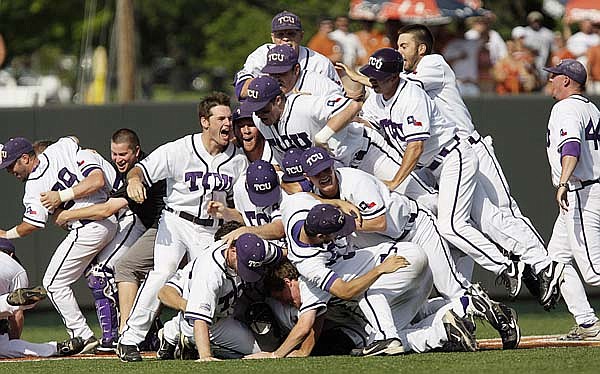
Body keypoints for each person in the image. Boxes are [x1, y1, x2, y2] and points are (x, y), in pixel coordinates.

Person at [395, 24, 564, 305]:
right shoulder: (408, 78)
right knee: (484, 219)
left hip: (471, 147)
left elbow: (401, 85)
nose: (399, 51)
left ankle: (544, 265)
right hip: (454, 157)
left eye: (404, 46)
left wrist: (367, 79)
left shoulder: (432, 63)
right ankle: (531, 266)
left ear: (421, 48)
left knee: (502, 213)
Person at [301, 147, 520, 349]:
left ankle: (500, 316)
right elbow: (292, 190)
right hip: (392, 248)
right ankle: (446, 330)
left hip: (415, 230)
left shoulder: (354, 181)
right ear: (308, 177)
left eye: (325, 168)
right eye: (316, 173)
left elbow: (379, 223)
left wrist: (340, 226)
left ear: (333, 165)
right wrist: (335, 204)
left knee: (452, 291)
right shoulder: (315, 197)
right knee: (410, 307)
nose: (323, 175)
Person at [359, 48, 524, 297]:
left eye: (377, 76)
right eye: (370, 74)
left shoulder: (410, 95)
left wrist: (394, 182)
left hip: (454, 157)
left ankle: (507, 265)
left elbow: (415, 147)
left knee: (451, 225)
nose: (372, 80)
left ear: (394, 77)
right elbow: (366, 121)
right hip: (436, 168)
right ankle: (488, 271)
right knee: (449, 224)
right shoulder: (376, 97)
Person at [117, 92, 248, 362]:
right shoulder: (180, 149)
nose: (228, 123)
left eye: (229, 117)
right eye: (221, 118)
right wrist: (134, 181)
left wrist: (228, 212)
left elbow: (244, 212)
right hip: (176, 221)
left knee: (206, 287)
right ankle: (130, 340)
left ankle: (174, 334)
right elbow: (140, 170)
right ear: (204, 121)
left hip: (211, 229)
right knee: (162, 273)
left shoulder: (238, 160)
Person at [273, 194, 476, 356]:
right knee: (402, 322)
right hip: (404, 263)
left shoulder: (295, 209)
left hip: (396, 263)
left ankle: (386, 338)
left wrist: (334, 202)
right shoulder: (309, 263)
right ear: (320, 237)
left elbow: (344, 291)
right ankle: (461, 311)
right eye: (336, 232)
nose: (342, 234)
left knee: (366, 293)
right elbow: (341, 292)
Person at [0, 136, 117, 353]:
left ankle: (82, 335)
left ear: (25, 158)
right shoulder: (59, 148)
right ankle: (117, 335)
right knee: (104, 277)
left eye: (12, 165)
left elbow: (31, 225)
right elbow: (73, 138)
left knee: (53, 283)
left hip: (88, 227)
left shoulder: (34, 186)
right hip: (108, 216)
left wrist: (7, 234)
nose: (10, 171)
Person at [53, 129, 166, 350]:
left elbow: (107, 209)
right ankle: (145, 333)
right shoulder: (118, 168)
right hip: (145, 224)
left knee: (103, 272)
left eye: (123, 154)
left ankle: (118, 335)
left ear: (136, 151)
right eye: (114, 154)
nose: (117, 159)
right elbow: (74, 139)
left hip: (161, 228)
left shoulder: (142, 171)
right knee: (105, 273)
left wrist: (67, 213)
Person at [156, 224, 282, 360]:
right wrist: (206, 356)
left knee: (264, 350)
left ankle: (183, 337)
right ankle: (182, 336)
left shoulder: (255, 248)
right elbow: (197, 317)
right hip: (203, 324)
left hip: (224, 315)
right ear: (232, 249)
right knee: (254, 354)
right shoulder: (209, 271)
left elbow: (284, 252)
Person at [543, 59, 600, 340]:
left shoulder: (565, 107)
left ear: (566, 80)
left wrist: (564, 181)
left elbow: (572, 147)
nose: (550, 80)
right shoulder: (591, 107)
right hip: (590, 188)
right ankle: (588, 323)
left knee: (593, 272)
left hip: (582, 191)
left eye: (554, 76)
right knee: (556, 261)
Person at [0, 239, 85, 358]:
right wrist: (14, 342)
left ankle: (7, 302)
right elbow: (17, 316)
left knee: (2, 348)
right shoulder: (17, 269)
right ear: (11, 254)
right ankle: (57, 348)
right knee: (5, 347)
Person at [235, 11, 340, 100]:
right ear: (272, 37)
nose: (285, 38)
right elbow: (241, 89)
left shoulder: (319, 62)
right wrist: (273, 85)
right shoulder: (262, 55)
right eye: (280, 35)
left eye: (291, 34)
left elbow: (338, 97)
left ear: (301, 36)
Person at [262, 44, 343, 97]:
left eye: (281, 73)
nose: (277, 78)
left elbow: (347, 109)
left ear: (296, 70)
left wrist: (313, 105)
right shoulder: (265, 90)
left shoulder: (318, 84)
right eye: (273, 73)